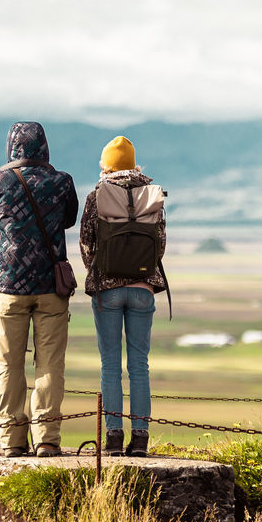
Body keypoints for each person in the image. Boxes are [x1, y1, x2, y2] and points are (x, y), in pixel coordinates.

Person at [0, 121, 78, 458]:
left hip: (8, 286)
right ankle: (47, 440)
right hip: (52, 287)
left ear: (11, 146)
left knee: (7, 364)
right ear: (44, 147)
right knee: (50, 364)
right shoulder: (62, 182)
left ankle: (11, 441)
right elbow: (68, 221)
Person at [79, 136, 167, 457]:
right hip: (144, 288)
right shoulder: (152, 196)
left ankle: (113, 439)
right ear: (134, 164)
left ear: (106, 166)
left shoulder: (96, 197)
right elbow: (160, 244)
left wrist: (103, 271)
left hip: (107, 291)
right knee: (140, 365)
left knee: (110, 366)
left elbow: (86, 244)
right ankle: (141, 440)